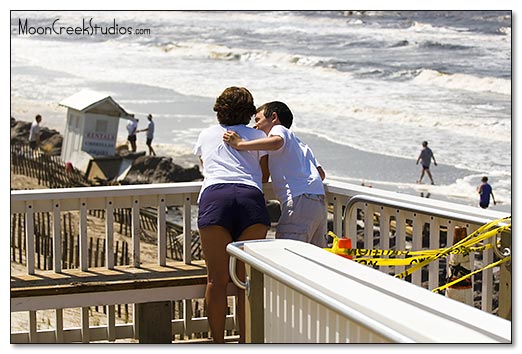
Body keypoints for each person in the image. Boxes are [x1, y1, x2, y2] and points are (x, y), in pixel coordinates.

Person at [193, 86, 270, 343]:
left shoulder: (206, 135)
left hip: (217, 198)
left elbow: (206, 167)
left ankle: (218, 343)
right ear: (249, 112)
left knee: (216, 280)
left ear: (219, 110)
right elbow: (264, 175)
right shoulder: (257, 135)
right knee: (244, 281)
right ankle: (245, 342)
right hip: (250, 199)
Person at [223, 101, 328, 248]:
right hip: (317, 201)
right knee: (315, 255)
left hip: (298, 199)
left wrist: (240, 144)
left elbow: (276, 142)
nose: (255, 126)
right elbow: (320, 174)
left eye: (258, 120)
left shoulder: (279, 129)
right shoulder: (300, 144)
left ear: (273, 117)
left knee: (288, 251)